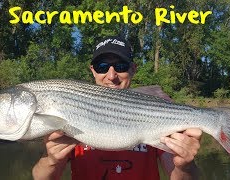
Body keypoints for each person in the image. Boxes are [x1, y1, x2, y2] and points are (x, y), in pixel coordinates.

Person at [32, 36, 202, 180]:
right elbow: (41, 176)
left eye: (120, 66)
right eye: (102, 67)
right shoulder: (68, 109)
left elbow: (183, 176)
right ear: (93, 71)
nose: (111, 76)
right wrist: (51, 160)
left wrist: (185, 165)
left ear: (133, 69)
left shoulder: (157, 111)